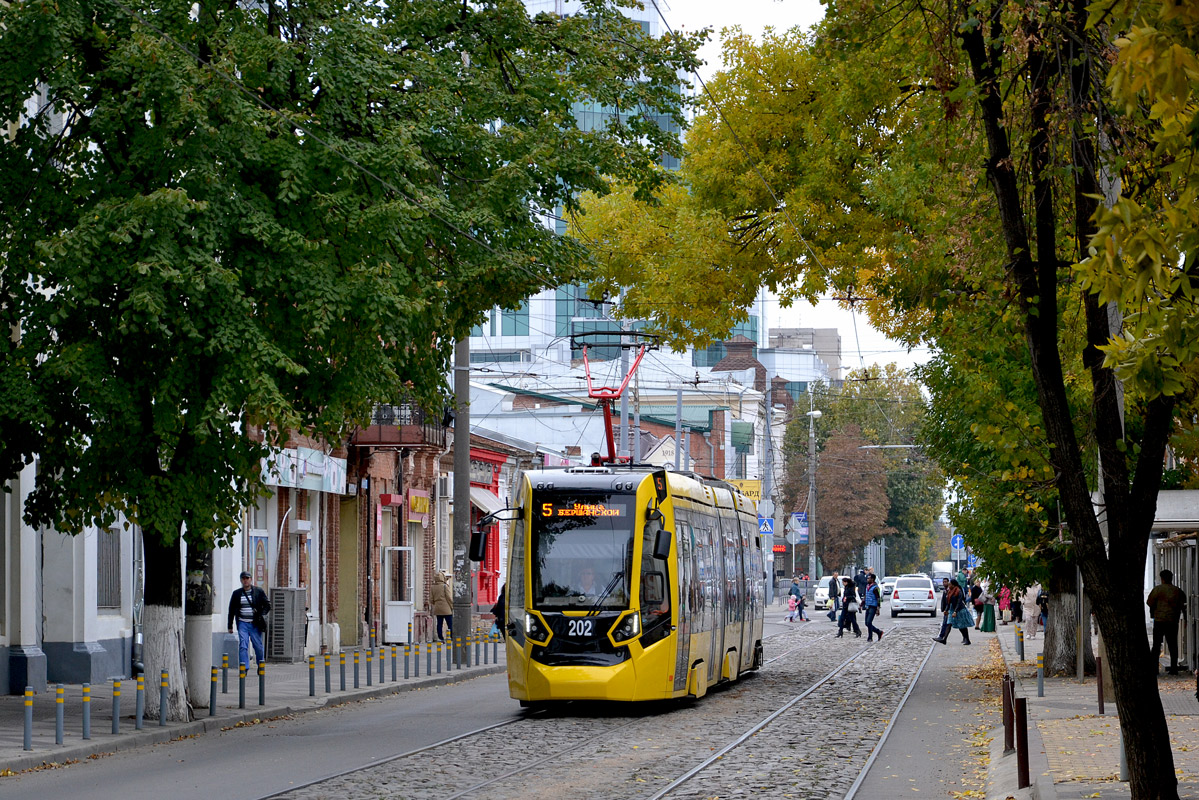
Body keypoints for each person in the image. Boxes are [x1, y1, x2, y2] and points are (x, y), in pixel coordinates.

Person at [227, 570, 271, 669]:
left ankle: (261, 665)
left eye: (247, 578)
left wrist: (262, 614)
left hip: (255, 623)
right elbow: (231, 610)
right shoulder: (236, 594)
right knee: (243, 645)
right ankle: (244, 667)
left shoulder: (258, 591)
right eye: (243, 578)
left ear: (251, 579)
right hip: (243, 623)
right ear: (241, 580)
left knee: (258, 646)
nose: (245, 580)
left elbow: (267, 605)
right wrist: (230, 625)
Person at [1147, 569, 1187, 674]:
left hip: (1159, 620)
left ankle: (1154, 669)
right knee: (1173, 645)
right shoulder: (1177, 591)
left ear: (1162, 579)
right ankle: (1174, 669)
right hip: (1172, 621)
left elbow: (1149, 602)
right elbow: (1183, 605)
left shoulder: (1157, 590)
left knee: (1156, 646)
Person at [935, 579, 971, 644]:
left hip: (960, 610)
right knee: (948, 624)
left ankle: (967, 639)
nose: (949, 586)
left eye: (950, 584)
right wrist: (946, 610)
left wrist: (955, 611)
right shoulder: (949, 591)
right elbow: (948, 602)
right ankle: (944, 639)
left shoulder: (958, 591)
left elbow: (959, 602)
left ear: (953, 585)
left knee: (962, 626)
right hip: (952, 609)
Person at [432, 570, 453, 641]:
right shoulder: (445, 586)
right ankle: (451, 637)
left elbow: (431, 599)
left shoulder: (433, 587)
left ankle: (440, 638)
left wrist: (436, 603)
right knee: (450, 623)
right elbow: (449, 598)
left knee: (439, 623)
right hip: (446, 607)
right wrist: (452, 606)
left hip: (437, 607)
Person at [863, 573, 884, 641]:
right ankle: (878, 632)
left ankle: (870, 637)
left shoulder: (875, 588)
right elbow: (866, 596)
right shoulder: (867, 586)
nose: (867, 579)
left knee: (869, 622)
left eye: (869, 578)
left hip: (873, 606)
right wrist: (862, 603)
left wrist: (878, 608)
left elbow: (878, 598)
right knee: (866, 623)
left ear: (872, 579)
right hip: (868, 606)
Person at [933, 578, 953, 643]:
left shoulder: (949, 590)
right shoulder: (945, 590)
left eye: (946, 582)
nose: (944, 583)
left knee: (946, 624)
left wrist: (946, 609)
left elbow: (948, 601)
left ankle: (942, 637)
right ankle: (942, 637)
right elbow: (944, 601)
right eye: (943, 582)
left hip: (949, 609)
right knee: (946, 624)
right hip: (946, 609)